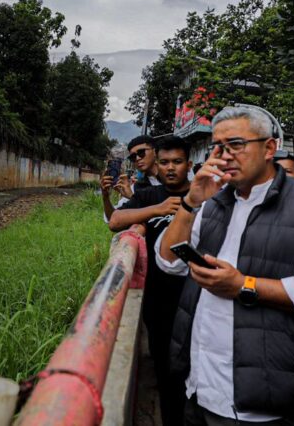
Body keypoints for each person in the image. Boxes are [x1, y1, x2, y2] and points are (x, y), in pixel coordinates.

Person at [157, 105, 294, 425]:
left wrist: (245, 286)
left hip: (265, 401)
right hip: (201, 386)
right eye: (217, 147)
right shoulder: (212, 202)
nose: (224, 155)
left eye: (236, 144)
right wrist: (191, 202)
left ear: (269, 148)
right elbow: (168, 260)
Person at [108, 135, 192, 426]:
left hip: (195, 299)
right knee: (165, 368)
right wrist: (157, 210)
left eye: (177, 162)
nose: (170, 168)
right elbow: (115, 221)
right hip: (157, 299)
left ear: (188, 165)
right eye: (166, 163)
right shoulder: (149, 196)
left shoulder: (202, 195)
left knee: (191, 368)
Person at [101, 134, 160, 222]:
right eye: (133, 157)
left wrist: (132, 197)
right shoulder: (135, 187)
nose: (137, 158)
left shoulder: (174, 179)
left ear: (155, 152)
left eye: (141, 153)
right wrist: (105, 196)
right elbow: (113, 218)